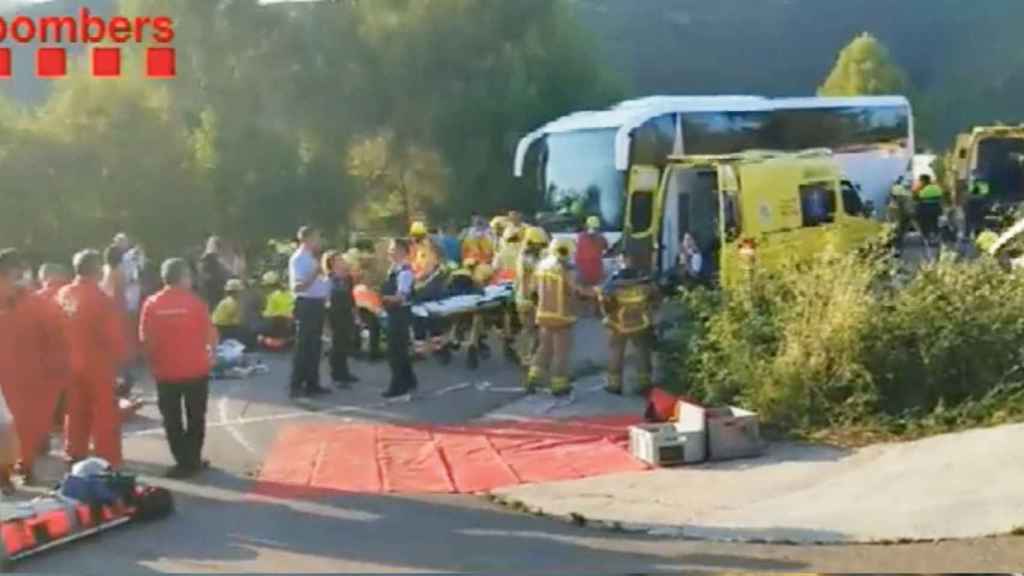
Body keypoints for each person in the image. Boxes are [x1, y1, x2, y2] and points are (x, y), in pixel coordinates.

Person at [140, 258, 218, 478]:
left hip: (166, 371)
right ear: (183, 277)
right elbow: (210, 334)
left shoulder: (151, 304)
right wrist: (213, 354)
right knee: (196, 415)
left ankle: (182, 459)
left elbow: (146, 339)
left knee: (171, 418)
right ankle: (192, 458)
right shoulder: (195, 303)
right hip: (195, 369)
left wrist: (152, 363)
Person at [0, 249, 71, 487]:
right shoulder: (34, 303)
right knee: (20, 427)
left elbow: (57, 335)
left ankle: (16, 470)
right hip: (20, 379)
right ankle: (15, 471)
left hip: (24, 378)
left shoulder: (34, 303)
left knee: (22, 427)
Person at [57, 249, 128, 469]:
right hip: (96, 363)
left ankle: (74, 452)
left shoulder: (62, 294)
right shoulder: (101, 299)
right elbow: (113, 337)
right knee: (105, 412)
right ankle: (107, 459)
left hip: (69, 361)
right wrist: (120, 361)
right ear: (97, 270)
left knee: (75, 409)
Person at [527, 237, 588, 396]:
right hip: (562, 315)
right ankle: (559, 384)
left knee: (544, 348)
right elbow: (577, 290)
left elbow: (533, 290)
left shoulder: (542, 265)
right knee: (561, 352)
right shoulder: (567, 269)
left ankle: (533, 378)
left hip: (543, 313)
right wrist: (596, 292)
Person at [597, 251, 658, 395]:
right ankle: (644, 384)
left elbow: (604, 299)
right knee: (642, 352)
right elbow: (655, 298)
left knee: (616, 352)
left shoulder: (613, 281)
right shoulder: (645, 280)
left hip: (618, 323)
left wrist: (606, 316)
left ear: (622, 260)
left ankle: (614, 385)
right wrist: (651, 314)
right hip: (640, 323)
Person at [288, 226, 331, 399]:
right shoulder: (299, 259)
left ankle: (312, 383)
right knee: (304, 346)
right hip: (307, 304)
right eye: (316, 238)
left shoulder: (311, 258)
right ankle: (296, 384)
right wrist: (315, 273)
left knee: (315, 346)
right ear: (306, 239)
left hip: (317, 304)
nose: (319, 242)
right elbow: (298, 287)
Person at [380, 238, 418, 398]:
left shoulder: (405, 272)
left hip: (400, 312)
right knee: (399, 349)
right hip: (393, 312)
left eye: (393, 248)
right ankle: (409, 380)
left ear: (402, 251)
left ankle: (398, 386)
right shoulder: (394, 269)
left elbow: (401, 297)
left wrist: (382, 299)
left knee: (395, 351)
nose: (390, 251)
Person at [409, 221, 450, 362]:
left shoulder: (427, 249)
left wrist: (415, 279)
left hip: (429, 288)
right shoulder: (422, 248)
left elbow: (428, 269)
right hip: (426, 286)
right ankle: (424, 349)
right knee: (423, 319)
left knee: (426, 318)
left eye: (414, 237)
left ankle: (435, 348)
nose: (413, 239)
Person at [323, 250, 359, 388]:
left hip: (346, 313)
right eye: (339, 259)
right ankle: (336, 375)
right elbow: (325, 300)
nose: (342, 261)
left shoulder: (347, 278)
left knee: (345, 343)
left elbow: (351, 298)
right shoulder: (328, 279)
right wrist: (325, 322)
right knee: (336, 344)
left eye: (342, 259)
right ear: (331, 263)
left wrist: (355, 314)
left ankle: (345, 372)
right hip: (334, 314)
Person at [514, 226, 549, 368]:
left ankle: (532, 356)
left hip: (534, 297)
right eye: (537, 244)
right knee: (530, 330)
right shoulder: (525, 258)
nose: (539, 247)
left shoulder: (536, 256)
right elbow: (527, 278)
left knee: (537, 330)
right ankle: (526, 356)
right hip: (526, 297)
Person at [212, 279, 253, 348]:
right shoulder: (231, 302)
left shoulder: (227, 300)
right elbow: (235, 320)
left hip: (220, 327)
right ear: (235, 292)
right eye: (239, 292)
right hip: (223, 328)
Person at [258, 271, 295, 345]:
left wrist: (261, 313)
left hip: (280, 324)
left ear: (270, 285)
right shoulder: (290, 293)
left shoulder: (272, 296)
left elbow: (268, 314)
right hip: (292, 324)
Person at [197, 236, 230, 310]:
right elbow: (205, 277)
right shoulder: (208, 260)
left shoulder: (215, 260)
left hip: (215, 292)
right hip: (211, 292)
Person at [576, 216, 608, 289]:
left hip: (582, 269)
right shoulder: (601, 238)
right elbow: (606, 248)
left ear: (586, 226)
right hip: (595, 270)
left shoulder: (580, 236)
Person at [914, 174, 944, 243]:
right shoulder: (936, 187)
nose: (919, 182)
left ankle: (927, 237)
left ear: (924, 181)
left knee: (924, 223)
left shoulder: (923, 189)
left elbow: (917, 197)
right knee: (935, 223)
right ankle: (935, 237)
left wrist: (918, 189)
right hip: (937, 207)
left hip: (925, 208)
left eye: (920, 180)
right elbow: (941, 197)